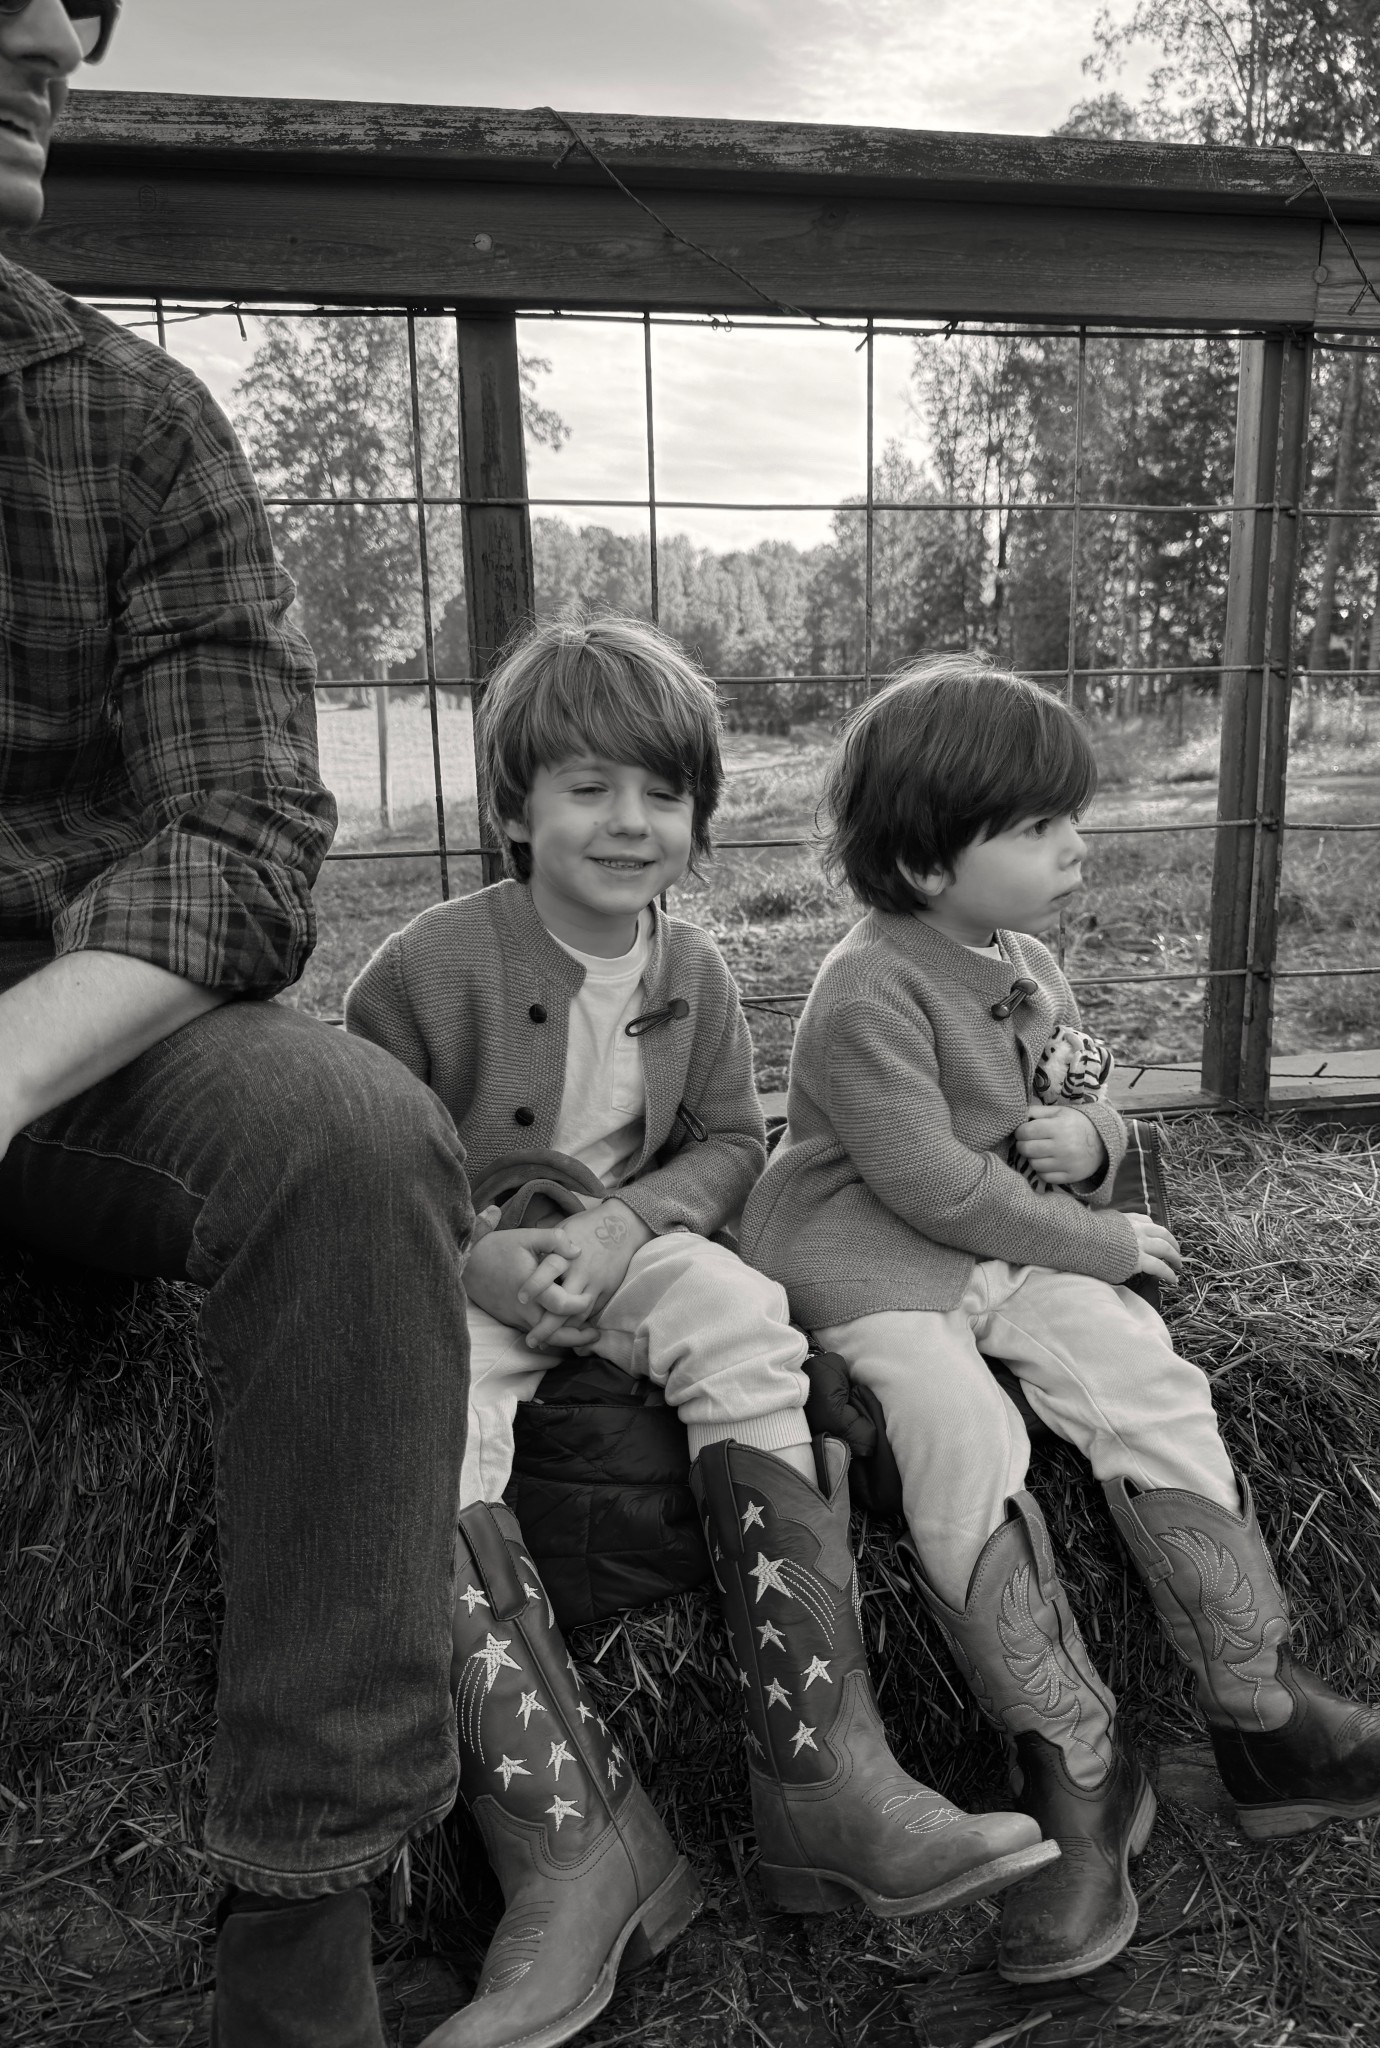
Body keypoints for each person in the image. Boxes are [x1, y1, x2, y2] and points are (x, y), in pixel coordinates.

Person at [344, 618, 1057, 2048]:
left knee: (743, 1312)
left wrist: (631, 1225)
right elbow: (362, 1157)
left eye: (662, 796)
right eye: (588, 788)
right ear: (513, 809)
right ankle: (576, 1840)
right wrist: (475, 1260)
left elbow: (733, 1142)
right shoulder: (423, 974)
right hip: (467, 1274)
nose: (628, 823)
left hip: (626, 1253)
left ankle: (824, 1768)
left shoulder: (704, 976)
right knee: (420, 1427)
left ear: (700, 818)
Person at [741, 655, 1380, 1984]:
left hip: (1006, 1235)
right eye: (1038, 828)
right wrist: (1098, 1233)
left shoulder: (1026, 957)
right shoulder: (865, 990)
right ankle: (1079, 1773)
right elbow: (928, 1183)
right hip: (879, 1254)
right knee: (957, 1428)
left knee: (1143, 1369)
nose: (1074, 847)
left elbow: (1091, 1088)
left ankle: (1266, 1716)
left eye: (1067, 820)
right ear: (928, 864)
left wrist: (1088, 1136)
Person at [0, 8, 478, 2043]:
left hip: (81, 1018)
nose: (51, 27)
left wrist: (11, 1063)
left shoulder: (127, 416)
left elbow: (252, 824)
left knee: (355, 1134)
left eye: (77, 10)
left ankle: (305, 1921)